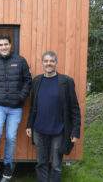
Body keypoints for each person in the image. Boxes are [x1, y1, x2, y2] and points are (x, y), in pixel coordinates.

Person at [26, 51, 81, 182]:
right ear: (42, 63)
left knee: (56, 165)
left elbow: (74, 108)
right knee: (41, 163)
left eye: (51, 61)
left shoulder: (66, 82)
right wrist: (29, 125)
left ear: (56, 63)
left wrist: (75, 131)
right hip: (39, 130)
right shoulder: (37, 81)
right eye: (46, 61)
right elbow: (33, 106)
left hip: (59, 130)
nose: (48, 63)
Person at [0, 35, 32, 181]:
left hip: (15, 108)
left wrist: (21, 97)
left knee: (11, 137)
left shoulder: (20, 61)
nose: (3, 47)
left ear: (10, 45)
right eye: (0, 45)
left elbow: (27, 81)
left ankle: (8, 164)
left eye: (6, 44)